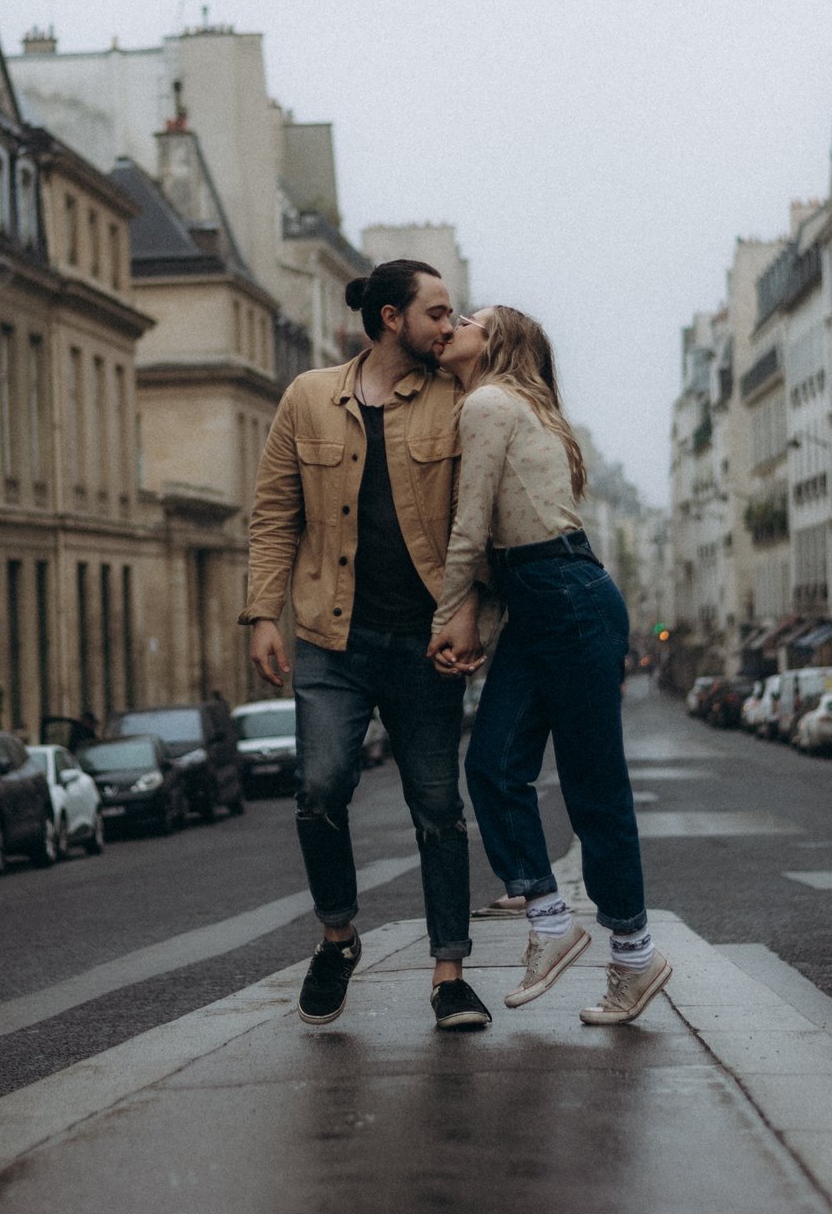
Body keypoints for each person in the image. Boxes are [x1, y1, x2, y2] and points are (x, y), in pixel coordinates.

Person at [243, 261, 493, 1033]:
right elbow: (275, 512)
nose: (450, 326)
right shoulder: (308, 398)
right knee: (319, 789)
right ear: (392, 318)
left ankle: (449, 973)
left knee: (437, 806)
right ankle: (339, 936)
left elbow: (481, 520)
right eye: (439, 313)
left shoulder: (460, 401)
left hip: (423, 643)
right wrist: (261, 614)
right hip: (330, 634)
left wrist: (471, 614)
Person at [431, 306, 668, 1026]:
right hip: (548, 600)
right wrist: (485, 618)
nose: (454, 323)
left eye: (469, 317)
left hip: (565, 600)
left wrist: (449, 615)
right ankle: (550, 919)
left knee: (593, 786)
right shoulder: (512, 405)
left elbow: (473, 527)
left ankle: (634, 954)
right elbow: (511, 542)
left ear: (496, 343)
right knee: (494, 763)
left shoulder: (488, 402)